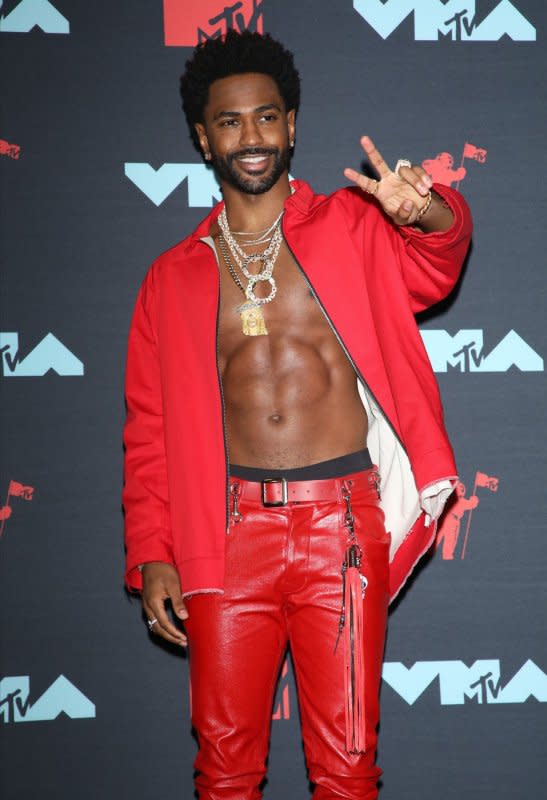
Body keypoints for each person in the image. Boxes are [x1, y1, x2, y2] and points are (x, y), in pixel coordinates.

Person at [122, 30, 472, 800]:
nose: (251, 137)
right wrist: (154, 550)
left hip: (340, 529)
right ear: (201, 137)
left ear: (292, 126)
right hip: (223, 537)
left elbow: (437, 265)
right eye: (230, 122)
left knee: (348, 768)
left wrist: (428, 213)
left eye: (267, 118)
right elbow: (148, 432)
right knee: (224, 770)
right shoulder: (170, 278)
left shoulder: (351, 226)